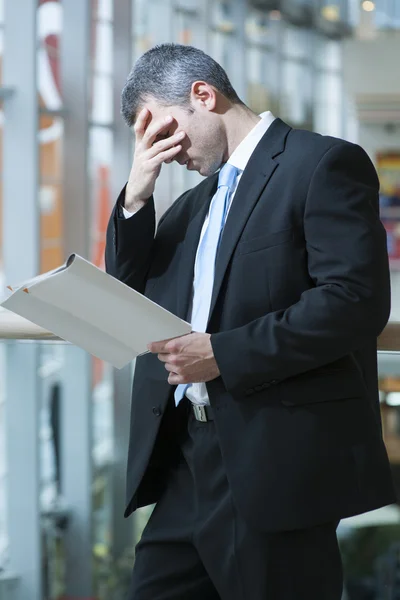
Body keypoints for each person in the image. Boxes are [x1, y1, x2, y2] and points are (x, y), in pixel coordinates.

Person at [105, 43, 396, 600]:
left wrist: (223, 353)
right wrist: (138, 194)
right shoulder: (195, 203)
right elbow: (130, 291)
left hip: (274, 460)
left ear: (203, 95)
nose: (163, 150)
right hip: (186, 461)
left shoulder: (323, 164)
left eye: (161, 130)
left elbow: (354, 301)